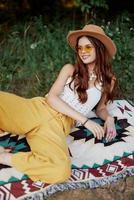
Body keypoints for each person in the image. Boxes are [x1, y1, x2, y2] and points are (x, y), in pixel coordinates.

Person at [0, 24, 117, 184]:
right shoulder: (70, 69)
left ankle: (4, 157)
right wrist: (85, 121)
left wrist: (109, 119)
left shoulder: (109, 81)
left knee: (60, 171)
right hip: (38, 109)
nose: (83, 51)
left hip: (57, 127)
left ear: (99, 48)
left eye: (88, 47)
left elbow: (101, 108)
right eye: (80, 47)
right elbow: (52, 98)